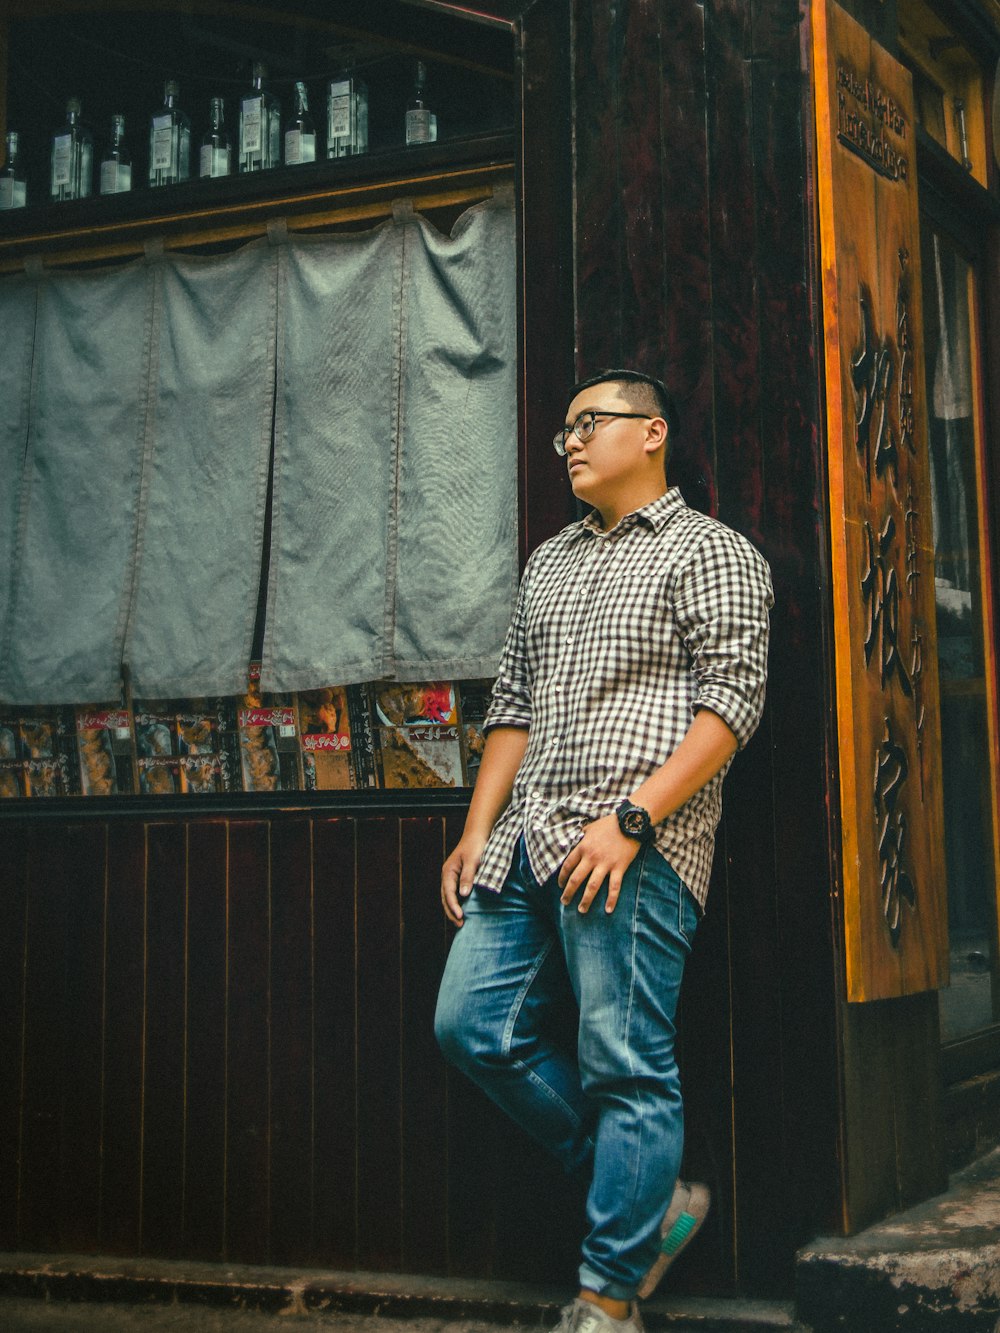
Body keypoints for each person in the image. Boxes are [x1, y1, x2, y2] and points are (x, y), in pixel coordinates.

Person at [434, 370, 773, 1333]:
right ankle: (646, 1197)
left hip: (634, 846)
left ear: (653, 431)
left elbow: (732, 706)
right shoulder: (550, 561)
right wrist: (473, 831)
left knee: (626, 1063)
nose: (571, 443)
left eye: (589, 423)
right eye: (564, 432)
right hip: (524, 843)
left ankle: (605, 1298)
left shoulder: (713, 552)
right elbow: (513, 706)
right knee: (472, 1028)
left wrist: (634, 819)